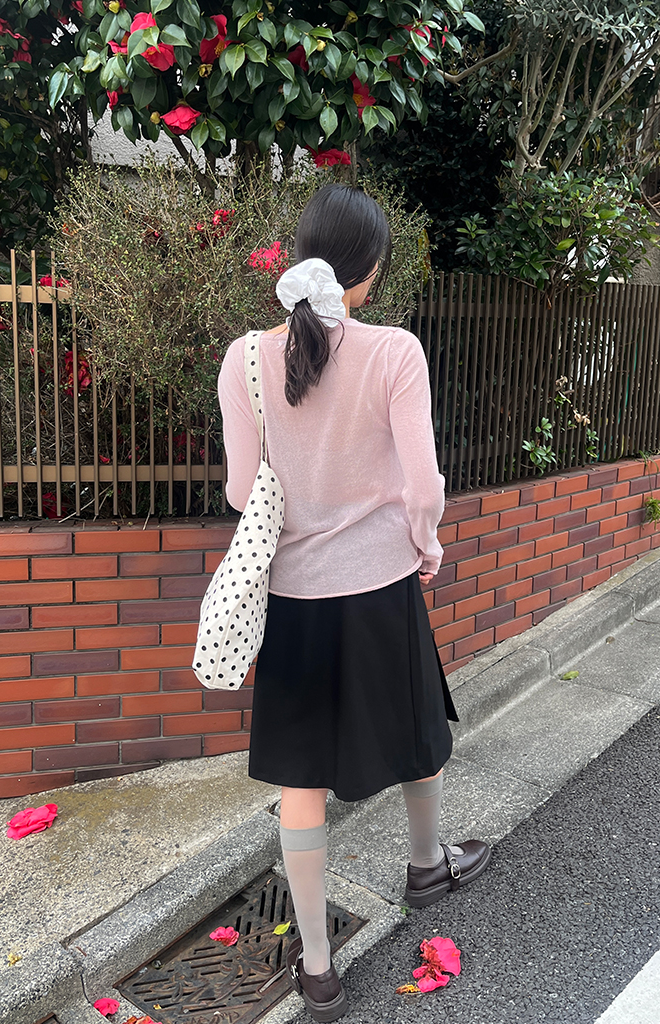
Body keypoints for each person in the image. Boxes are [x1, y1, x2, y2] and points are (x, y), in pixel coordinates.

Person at [217, 183, 490, 1022]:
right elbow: (424, 483)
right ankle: (427, 866)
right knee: (418, 731)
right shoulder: (394, 352)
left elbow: (240, 493)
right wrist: (426, 543)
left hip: (292, 597)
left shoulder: (243, 358)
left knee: (300, 776)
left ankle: (319, 968)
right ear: (367, 271)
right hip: (380, 585)